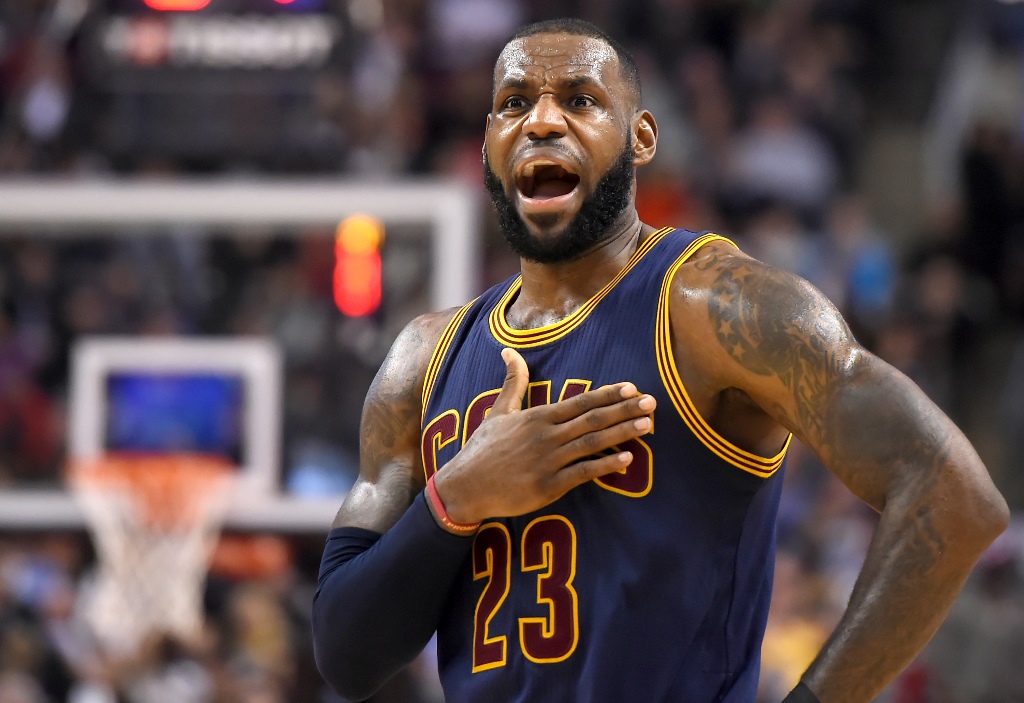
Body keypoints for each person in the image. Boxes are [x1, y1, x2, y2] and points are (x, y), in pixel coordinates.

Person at [311, 18, 1009, 703]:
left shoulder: (717, 305)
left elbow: (953, 493)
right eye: (515, 103)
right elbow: (347, 655)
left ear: (640, 137)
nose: (542, 122)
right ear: (490, 139)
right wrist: (457, 497)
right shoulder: (423, 359)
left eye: (580, 100)